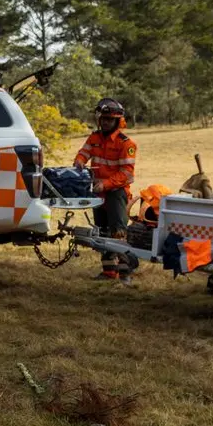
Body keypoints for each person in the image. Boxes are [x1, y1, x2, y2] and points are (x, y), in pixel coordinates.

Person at [74, 97, 137, 285]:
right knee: (101, 231)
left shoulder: (126, 144)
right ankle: (109, 270)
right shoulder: (94, 137)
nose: (105, 122)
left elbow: (126, 174)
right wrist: (79, 161)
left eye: (109, 119)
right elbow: (84, 152)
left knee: (118, 231)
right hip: (97, 192)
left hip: (116, 193)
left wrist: (106, 184)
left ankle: (126, 272)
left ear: (118, 121)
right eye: (103, 118)